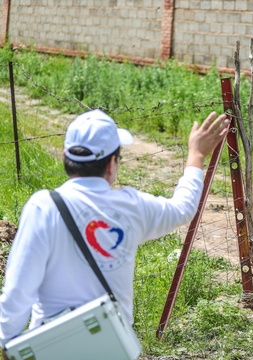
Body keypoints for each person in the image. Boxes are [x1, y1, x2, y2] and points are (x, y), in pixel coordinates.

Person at [0, 109, 230, 347]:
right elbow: (183, 208)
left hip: (54, 347)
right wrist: (196, 155)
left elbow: (18, 291)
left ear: (65, 157)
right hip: (108, 346)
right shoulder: (132, 207)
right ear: (112, 163)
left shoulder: (43, 207)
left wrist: (8, 342)